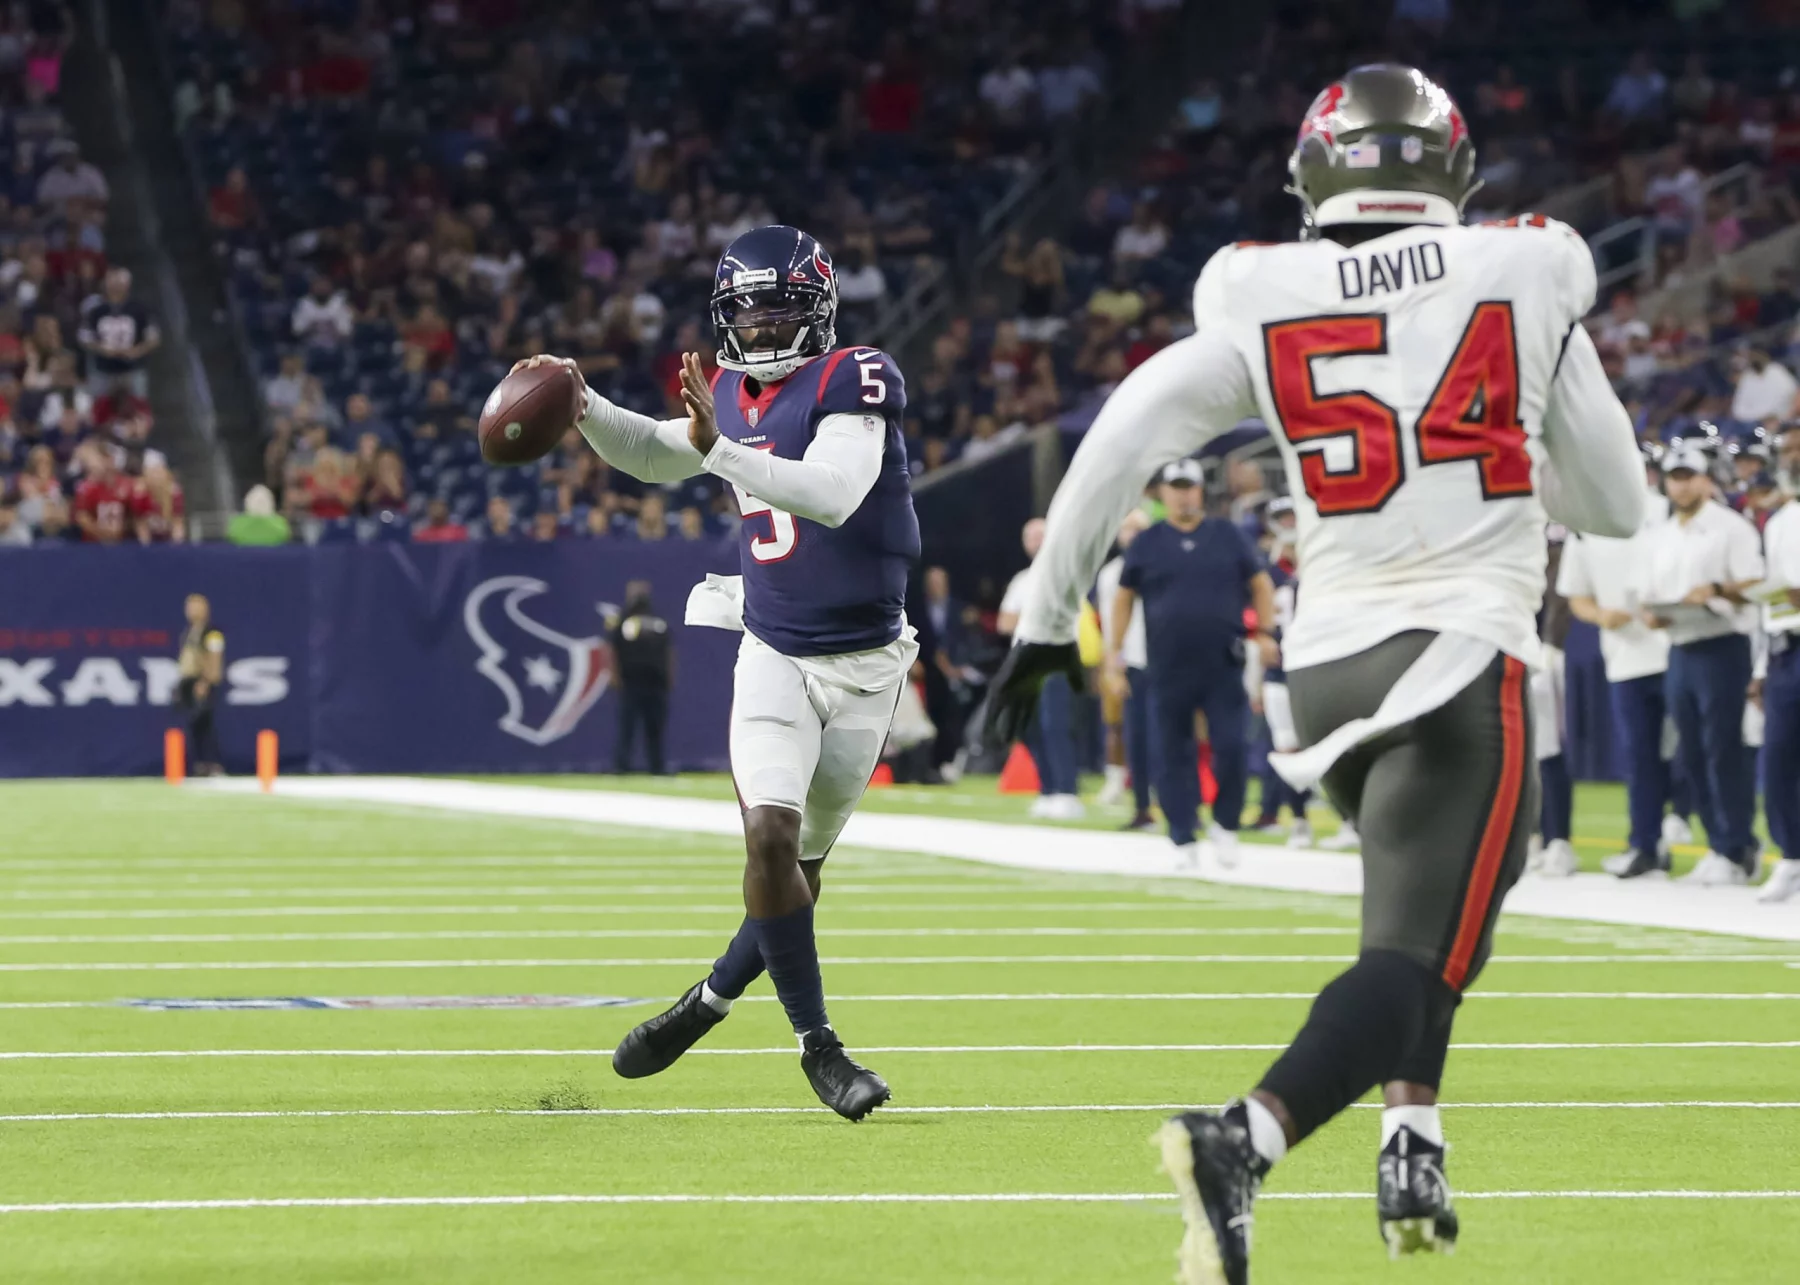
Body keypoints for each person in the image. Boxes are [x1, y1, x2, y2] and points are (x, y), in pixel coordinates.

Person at [984, 64, 1645, 1280]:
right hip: (1458, 656)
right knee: (1430, 951)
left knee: (1418, 921)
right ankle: (1243, 1137)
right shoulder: (1531, 263)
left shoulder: (1256, 285)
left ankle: (1412, 1134)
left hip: (1327, 667)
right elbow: (1617, 503)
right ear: (1454, 171)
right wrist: (1515, 446)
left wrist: (1045, 619)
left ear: (1312, 176)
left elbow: (1126, 432)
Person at [528, 225, 917, 1122]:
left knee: (801, 872)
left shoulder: (856, 374)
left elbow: (833, 492)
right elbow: (660, 452)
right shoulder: (732, 396)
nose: (766, 326)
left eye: (781, 306)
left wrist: (718, 447)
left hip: (866, 663)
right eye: (748, 309)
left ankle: (707, 1000)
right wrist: (584, 405)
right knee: (770, 843)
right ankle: (821, 1047)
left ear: (817, 305)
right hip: (775, 647)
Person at [1113, 459, 1275, 867]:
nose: (1184, 494)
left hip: (1222, 661)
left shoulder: (1227, 535)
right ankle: (1182, 836)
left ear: (1201, 491)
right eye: (1176, 487)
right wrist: (1114, 656)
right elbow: (1123, 597)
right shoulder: (1147, 542)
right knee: (1171, 752)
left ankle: (1225, 823)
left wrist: (1266, 632)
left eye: (1191, 487)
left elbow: (1260, 583)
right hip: (1167, 665)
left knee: (1232, 745)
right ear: (1163, 493)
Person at [1640, 442, 1764, 885]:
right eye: (1674, 476)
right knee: (1690, 752)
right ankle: (1718, 843)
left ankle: (1737, 846)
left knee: (1722, 748)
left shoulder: (1731, 527)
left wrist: (1715, 589)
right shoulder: (1662, 533)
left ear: (1707, 479)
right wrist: (1653, 612)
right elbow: (1652, 590)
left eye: (1689, 475)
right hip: (1680, 646)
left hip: (1722, 645)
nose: (1681, 484)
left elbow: (1754, 582)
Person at [1558, 446, 1675, 877]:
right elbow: (1578, 596)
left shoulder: (1666, 513)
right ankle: (1645, 844)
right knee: (1639, 756)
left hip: (1675, 645)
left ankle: (1727, 845)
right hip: (1624, 654)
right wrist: (1600, 615)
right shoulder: (1586, 526)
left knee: (1693, 754)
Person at [998, 518, 1083, 819]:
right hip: (1024, 662)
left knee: (1056, 725)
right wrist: (1036, 614)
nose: (1035, 541)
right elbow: (1003, 623)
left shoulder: (1064, 574)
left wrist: (1027, 615)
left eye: (1040, 535)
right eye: (1030, 536)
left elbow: (1065, 614)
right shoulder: (1022, 579)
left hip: (1054, 659)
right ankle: (1048, 789)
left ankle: (1067, 791)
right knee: (1028, 727)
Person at [1251, 497, 1315, 845]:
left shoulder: (1319, 566)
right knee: (1286, 746)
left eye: (1293, 516)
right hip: (1279, 671)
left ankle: (1350, 820)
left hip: (1315, 666)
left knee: (1331, 746)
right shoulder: (1265, 569)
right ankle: (1299, 820)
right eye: (1282, 517)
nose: (1288, 523)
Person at [1757, 449, 1800, 903]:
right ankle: (1791, 856)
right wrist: (1759, 666)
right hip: (1787, 649)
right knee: (1779, 760)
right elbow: (1774, 596)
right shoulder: (1781, 520)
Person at [1096, 508, 1155, 828]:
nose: (1130, 535)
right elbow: (1107, 622)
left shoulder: (1164, 563)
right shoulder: (1110, 574)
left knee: (1172, 736)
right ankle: (1142, 805)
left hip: (1164, 659)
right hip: (1130, 661)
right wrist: (1112, 664)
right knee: (1133, 734)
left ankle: (1180, 804)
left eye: (1137, 528)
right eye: (1126, 529)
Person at [611, 580, 672, 775]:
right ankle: (622, 765)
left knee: (654, 726)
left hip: (655, 680)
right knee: (627, 726)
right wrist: (614, 674)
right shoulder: (621, 620)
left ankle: (657, 766)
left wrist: (669, 674)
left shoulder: (657, 620)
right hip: (631, 680)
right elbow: (611, 649)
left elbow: (669, 649)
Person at [176, 593, 225, 776]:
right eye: (189, 607)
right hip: (189, 682)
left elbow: (214, 659)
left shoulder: (211, 633)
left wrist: (205, 681)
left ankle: (212, 764)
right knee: (193, 726)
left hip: (203, 682)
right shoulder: (189, 632)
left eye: (196, 606)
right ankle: (200, 764)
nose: (191, 611)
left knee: (205, 724)